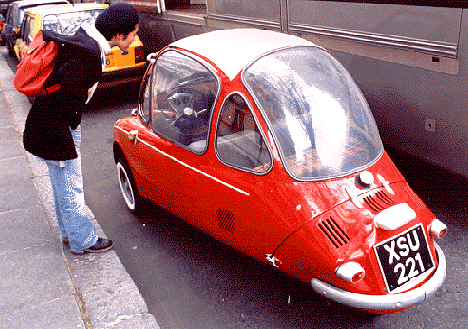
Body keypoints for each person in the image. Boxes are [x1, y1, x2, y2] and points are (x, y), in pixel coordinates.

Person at [22, 3, 140, 254]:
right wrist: (69, 130)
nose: (134, 39)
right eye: (133, 34)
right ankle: (82, 240)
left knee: (60, 184)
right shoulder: (89, 53)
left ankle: (70, 232)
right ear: (119, 35)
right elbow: (68, 98)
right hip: (56, 128)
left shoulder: (84, 38)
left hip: (49, 124)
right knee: (70, 185)